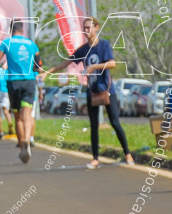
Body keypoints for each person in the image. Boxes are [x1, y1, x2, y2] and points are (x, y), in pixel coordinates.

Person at [49, 17, 134, 169]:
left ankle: (127, 153)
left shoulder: (104, 45)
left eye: (89, 27)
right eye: (84, 28)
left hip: (107, 91)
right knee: (93, 125)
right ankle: (95, 158)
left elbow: (112, 63)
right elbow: (66, 62)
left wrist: (94, 67)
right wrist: (47, 72)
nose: (86, 31)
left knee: (115, 122)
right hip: (92, 91)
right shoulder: (83, 49)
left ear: (96, 27)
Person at [0, 21, 42, 163]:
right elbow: (38, 66)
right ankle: (27, 138)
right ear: (23, 29)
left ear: (11, 30)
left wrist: (4, 64)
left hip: (13, 82)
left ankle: (22, 148)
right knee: (27, 114)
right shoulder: (32, 44)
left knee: (18, 117)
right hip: (29, 81)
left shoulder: (6, 43)